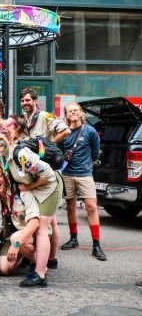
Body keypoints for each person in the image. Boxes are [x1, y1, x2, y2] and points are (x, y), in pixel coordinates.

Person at [0, 124, 61, 287]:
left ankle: (40, 274)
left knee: (42, 228)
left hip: (49, 188)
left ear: (9, 139)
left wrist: (29, 187)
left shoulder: (21, 155)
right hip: (34, 188)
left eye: (1, 139)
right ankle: (42, 261)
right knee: (41, 227)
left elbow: (48, 174)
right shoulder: (2, 156)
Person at [60, 102, 106, 261]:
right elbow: (59, 152)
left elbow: (95, 152)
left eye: (75, 110)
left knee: (92, 207)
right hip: (67, 174)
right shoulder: (63, 132)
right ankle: (73, 238)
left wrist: (88, 165)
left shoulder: (90, 131)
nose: (73, 113)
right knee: (71, 206)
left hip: (85, 174)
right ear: (66, 115)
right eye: (69, 111)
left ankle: (96, 244)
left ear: (81, 113)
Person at [0, 165, 39, 276]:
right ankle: (24, 256)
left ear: (4, 177)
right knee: (3, 269)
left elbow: (34, 222)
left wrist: (16, 244)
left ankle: (39, 265)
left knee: (16, 239)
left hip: (31, 234)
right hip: (10, 236)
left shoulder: (21, 191)